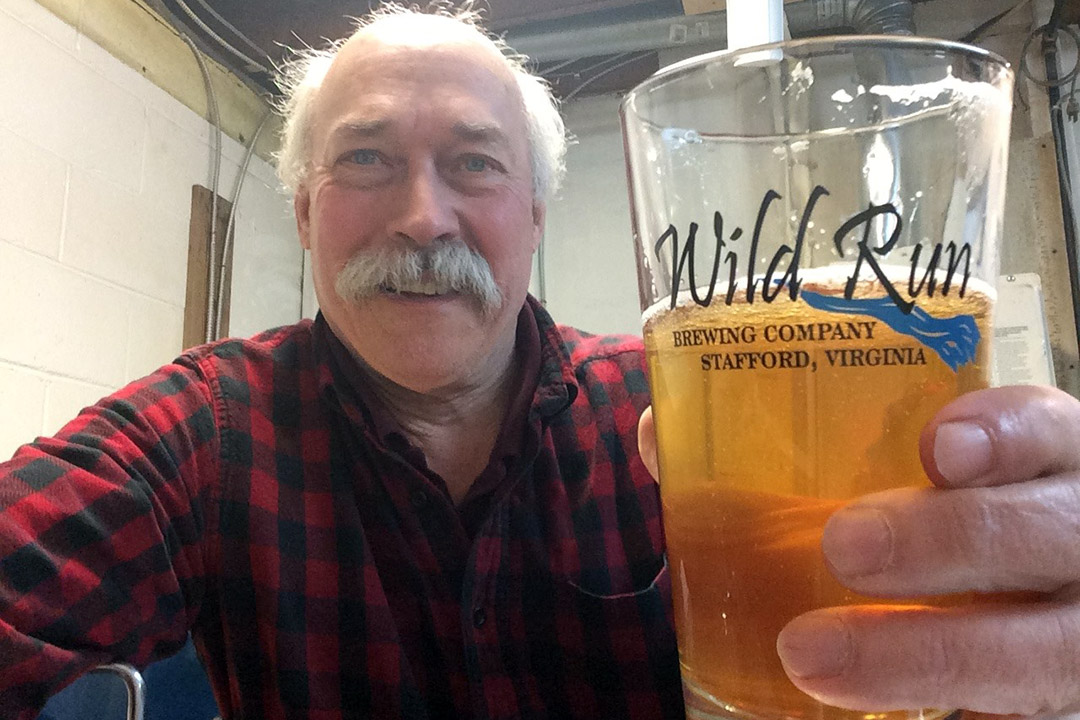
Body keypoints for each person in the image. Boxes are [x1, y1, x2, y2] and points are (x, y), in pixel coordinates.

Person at [1, 3, 1079, 719]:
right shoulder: (204, 430)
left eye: (473, 163)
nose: (423, 219)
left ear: (534, 213)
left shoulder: (673, 422)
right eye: (367, 161)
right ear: (304, 209)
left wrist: (1022, 607)